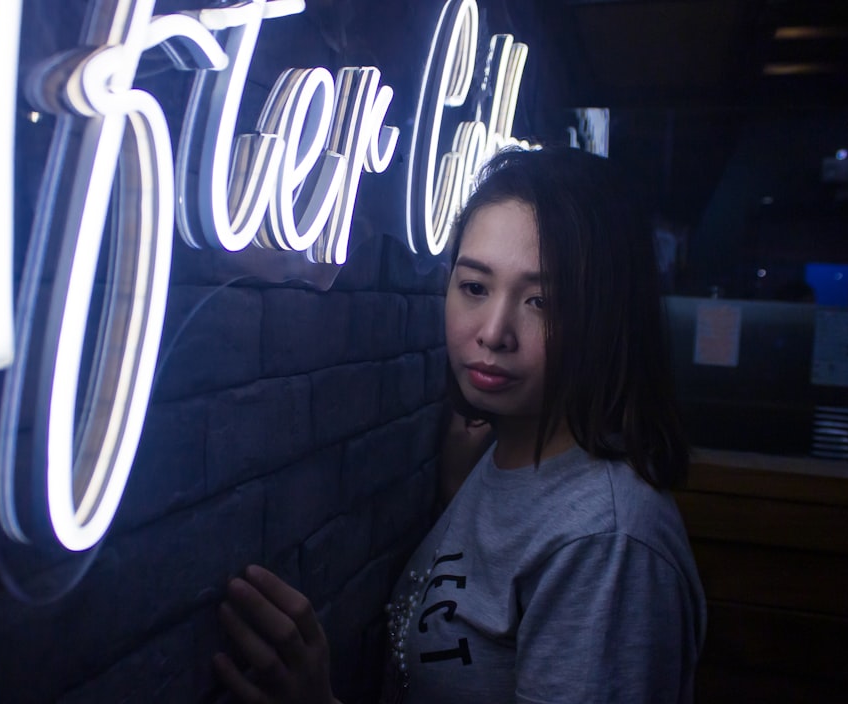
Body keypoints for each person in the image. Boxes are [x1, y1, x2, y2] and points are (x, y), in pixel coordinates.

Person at [212, 146, 706, 703]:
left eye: (542, 300)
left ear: (606, 315)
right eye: (474, 286)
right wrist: (456, 497)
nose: (494, 332)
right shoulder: (506, 458)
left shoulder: (606, 542)